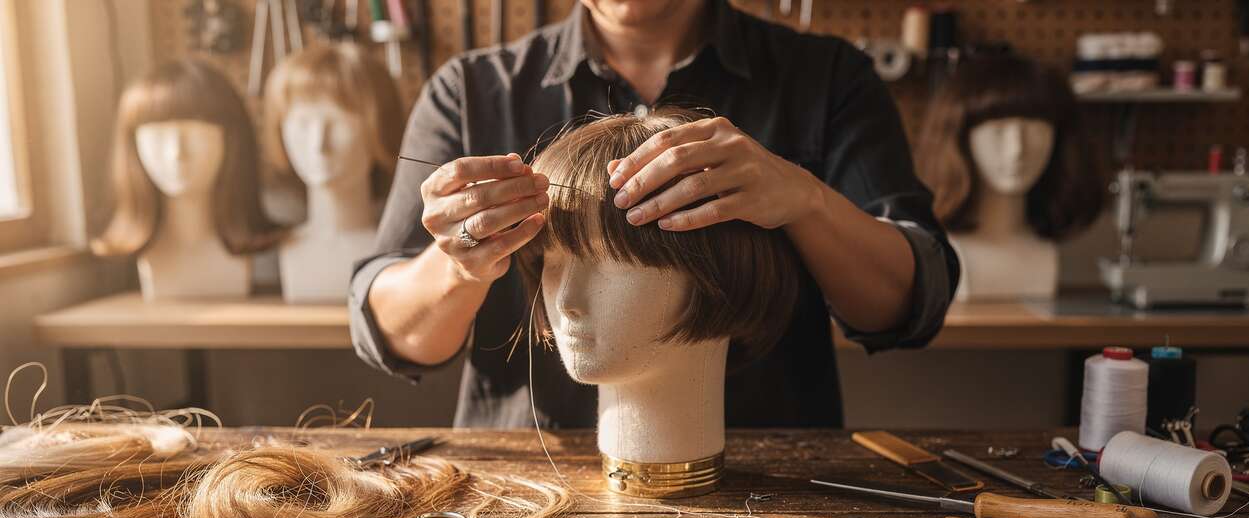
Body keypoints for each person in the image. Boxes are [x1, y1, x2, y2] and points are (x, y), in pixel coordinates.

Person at [350, 0, 959, 428]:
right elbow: (393, 334)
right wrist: (457, 266)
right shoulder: (470, 91)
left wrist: (806, 199)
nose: (572, 301)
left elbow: (910, 304)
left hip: (772, 478)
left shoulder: (827, 79)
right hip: (529, 482)